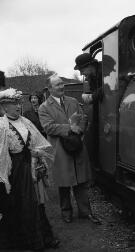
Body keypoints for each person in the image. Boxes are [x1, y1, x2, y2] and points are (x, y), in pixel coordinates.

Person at [0, 88, 59, 251]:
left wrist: (37, 154)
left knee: (37, 204)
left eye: (18, 103)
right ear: (4, 107)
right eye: (13, 104)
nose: (18, 107)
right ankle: (22, 242)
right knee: (19, 205)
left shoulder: (25, 121)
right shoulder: (2, 126)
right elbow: (1, 154)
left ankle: (44, 238)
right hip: (15, 171)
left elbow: (36, 142)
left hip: (30, 167)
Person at [38, 73, 101, 224]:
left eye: (62, 83)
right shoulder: (44, 108)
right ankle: (66, 212)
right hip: (60, 150)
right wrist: (70, 127)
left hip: (77, 145)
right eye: (58, 84)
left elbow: (83, 117)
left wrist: (80, 129)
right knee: (64, 183)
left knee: (80, 181)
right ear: (50, 88)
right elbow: (48, 128)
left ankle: (85, 212)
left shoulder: (73, 101)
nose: (62, 86)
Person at [74, 53, 103, 171]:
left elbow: (107, 88)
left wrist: (91, 97)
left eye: (82, 70)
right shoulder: (91, 77)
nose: (81, 74)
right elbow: (96, 92)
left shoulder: (105, 71)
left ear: (90, 65)